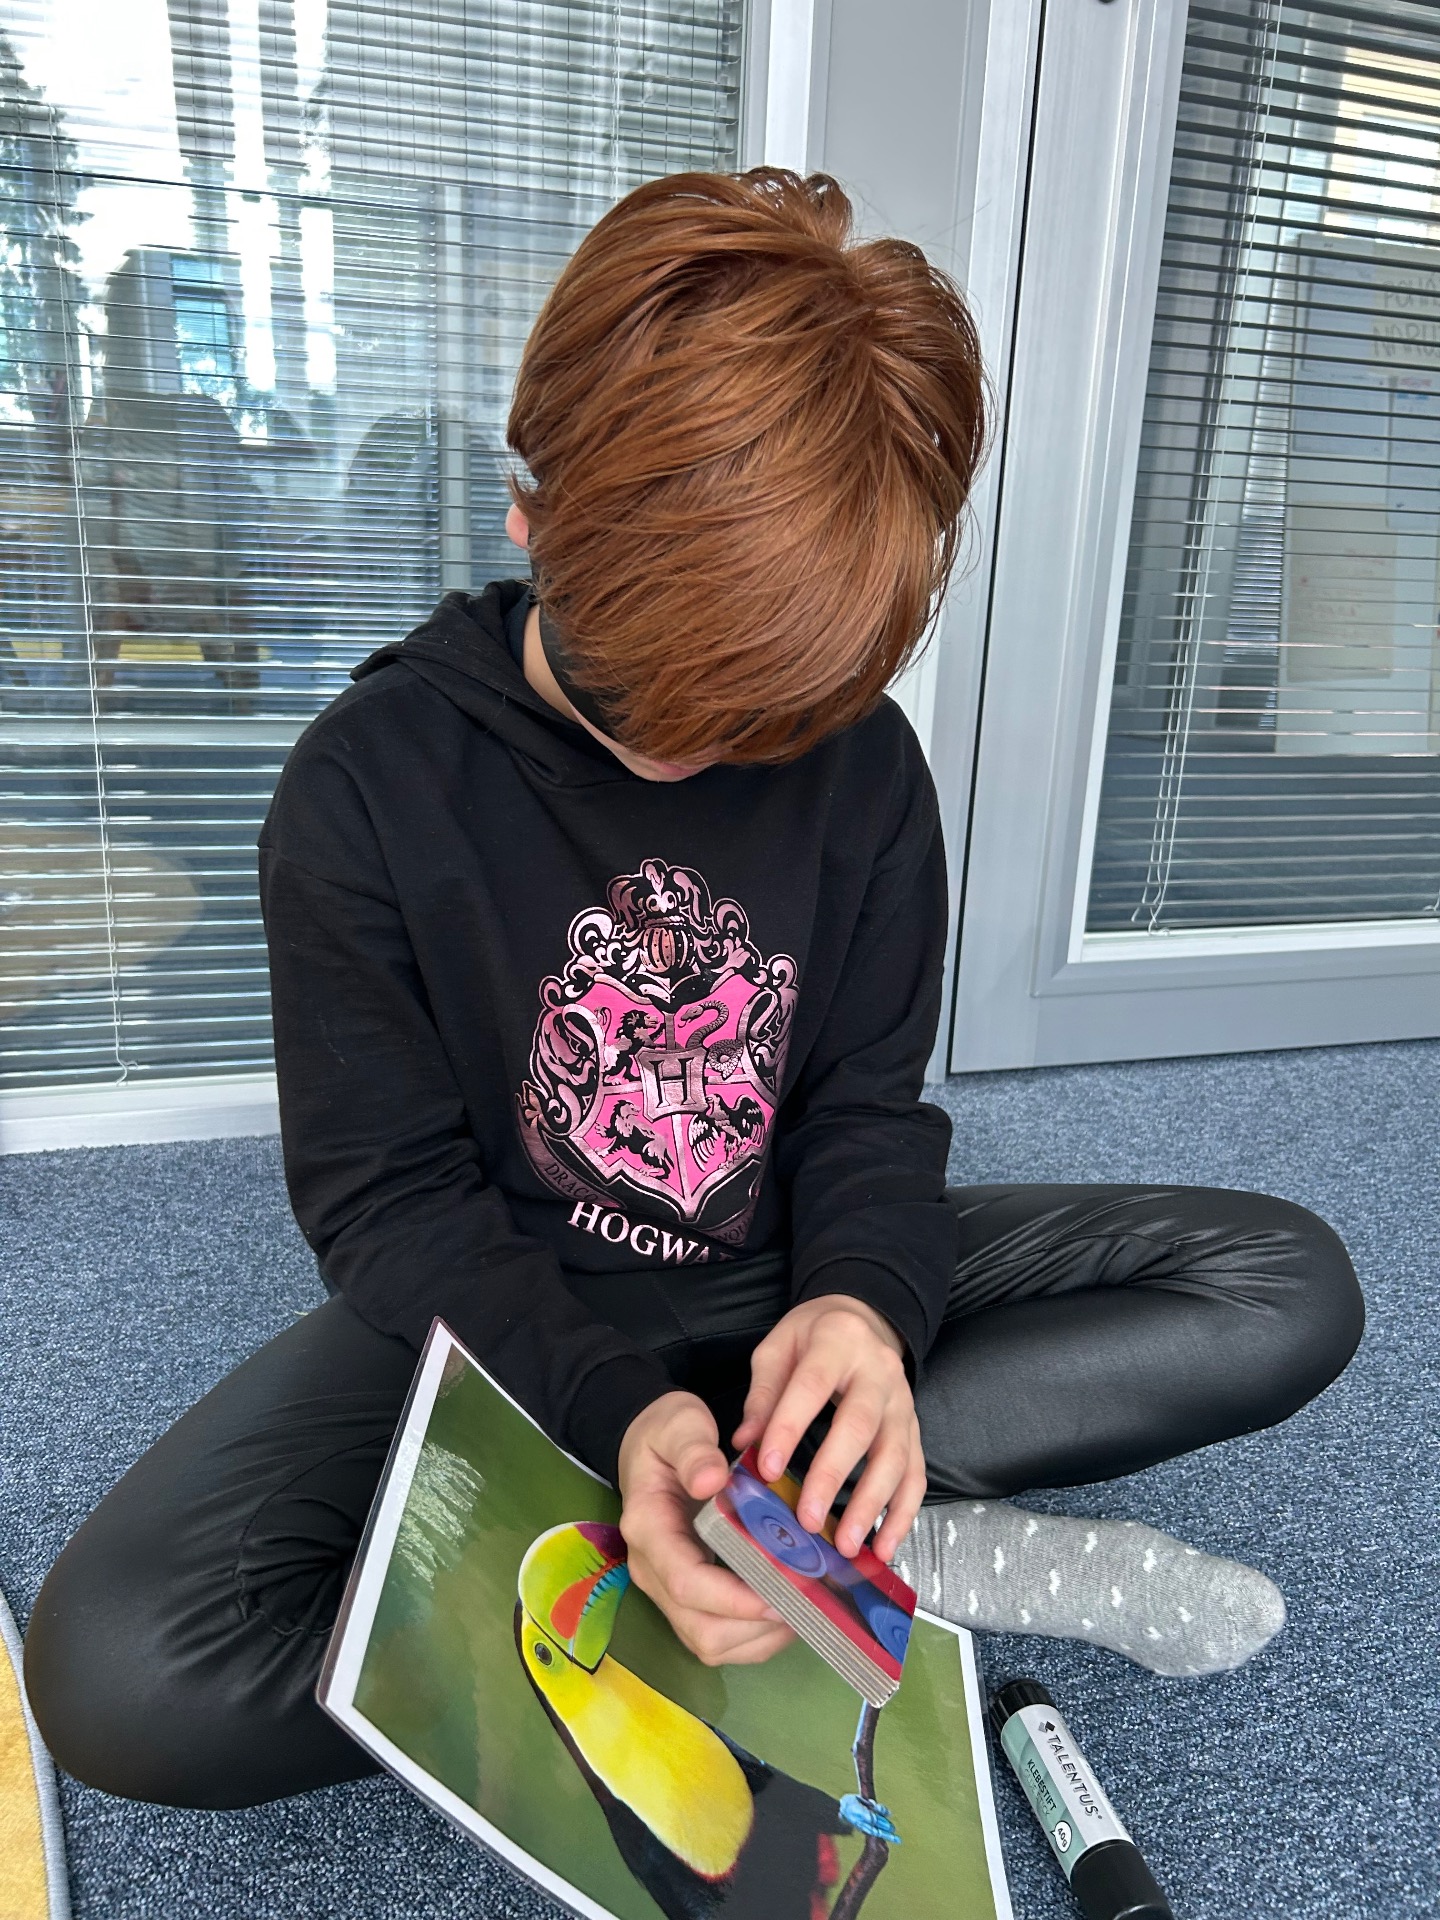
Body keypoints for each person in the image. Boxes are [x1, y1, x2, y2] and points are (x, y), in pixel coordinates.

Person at [25, 170, 1363, 1811]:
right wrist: (617, 1411)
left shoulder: (866, 766)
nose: (702, 753)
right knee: (122, 1677)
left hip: (780, 1275)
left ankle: (777, 1539)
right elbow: (389, 1207)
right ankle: (782, 1545)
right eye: (655, 701)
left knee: (1282, 1288)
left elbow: (864, 1107)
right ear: (529, 517)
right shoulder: (364, 787)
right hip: (515, 1316)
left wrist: (864, 1309)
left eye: (760, 723)